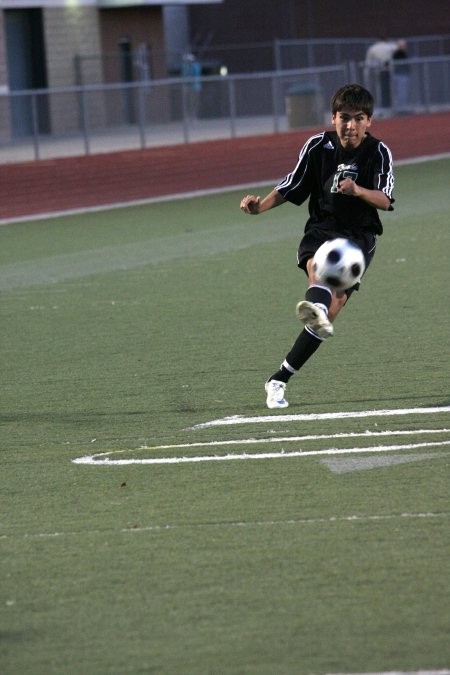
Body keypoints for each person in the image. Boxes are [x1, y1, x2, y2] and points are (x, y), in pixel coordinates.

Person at [240, 83, 395, 409]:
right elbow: (290, 186)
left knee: (327, 319)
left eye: (358, 119)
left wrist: (358, 191)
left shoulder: (379, 153)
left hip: (359, 237)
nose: (350, 126)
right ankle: (317, 304)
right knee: (319, 264)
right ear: (333, 117)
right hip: (322, 229)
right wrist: (259, 207)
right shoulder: (318, 146)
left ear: (369, 122)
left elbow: (384, 199)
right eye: (344, 117)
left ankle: (278, 378)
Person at [364, 38, 397, 108]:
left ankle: (384, 105)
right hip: (389, 71)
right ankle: (389, 106)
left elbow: (368, 62)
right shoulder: (390, 47)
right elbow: (396, 48)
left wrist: (367, 73)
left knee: (380, 89)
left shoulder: (373, 48)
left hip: (379, 71)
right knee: (389, 89)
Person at [392, 39, 411, 112]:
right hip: (400, 75)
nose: (405, 47)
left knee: (403, 91)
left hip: (402, 75)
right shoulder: (399, 53)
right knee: (401, 92)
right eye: (404, 45)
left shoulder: (402, 53)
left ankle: (402, 107)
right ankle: (401, 108)